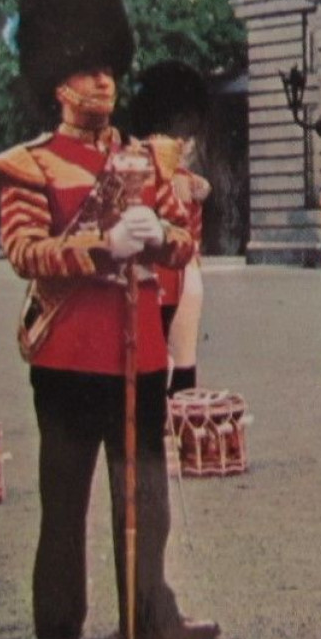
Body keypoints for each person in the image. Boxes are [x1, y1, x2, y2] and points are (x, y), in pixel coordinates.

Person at [0, 0, 220, 639]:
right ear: (55, 83)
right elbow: (27, 253)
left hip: (139, 350)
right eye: (85, 73)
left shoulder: (146, 160)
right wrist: (102, 246)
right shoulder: (28, 167)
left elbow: (185, 242)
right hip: (68, 353)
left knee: (145, 496)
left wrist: (159, 239)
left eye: (107, 70)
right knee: (66, 500)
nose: (102, 83)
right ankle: (58, 626)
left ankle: (149, 611)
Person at [127, 60, 210, 395]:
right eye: (182, 138)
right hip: (150, 281)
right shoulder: (135, 170)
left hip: (183, 275)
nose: (188, 146)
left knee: (184, 359)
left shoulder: (185, 179)